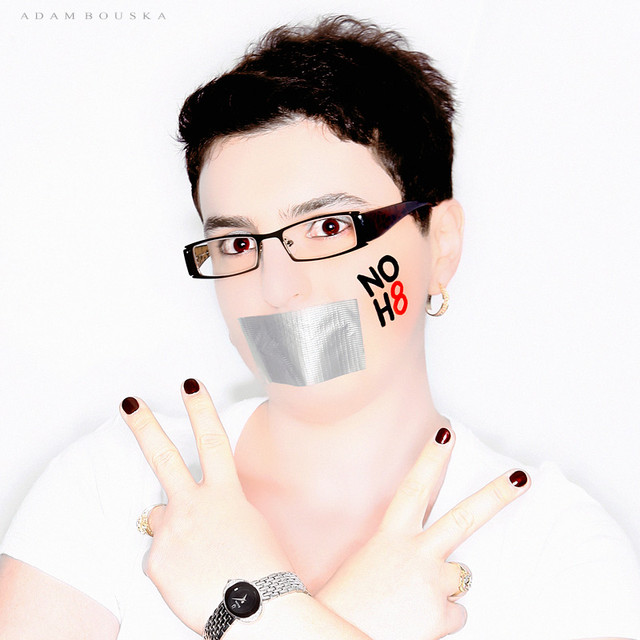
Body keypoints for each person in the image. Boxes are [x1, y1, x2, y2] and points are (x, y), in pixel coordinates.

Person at [1, 15, 639, 640]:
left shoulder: (557, 553)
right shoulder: (112, 486)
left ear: (440, 243)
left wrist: (257, 613)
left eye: (329, 227)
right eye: (237, 243)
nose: (277, 287)